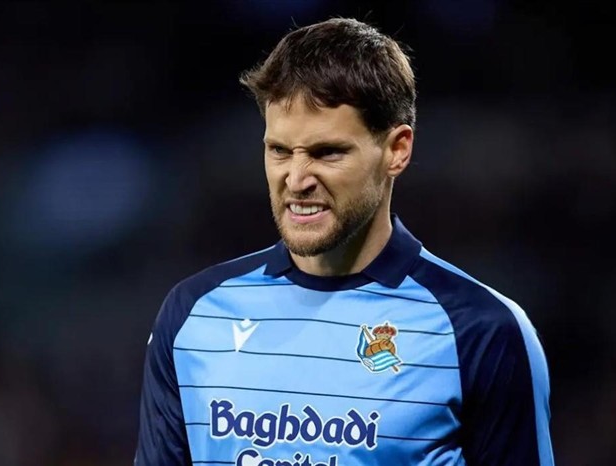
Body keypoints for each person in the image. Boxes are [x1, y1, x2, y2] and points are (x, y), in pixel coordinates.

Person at [135, 17, 554, 466]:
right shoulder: (194, 314)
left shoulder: (482, 330)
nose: (296, 179)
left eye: (327, 152)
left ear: (397, 150)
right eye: (279, 151)